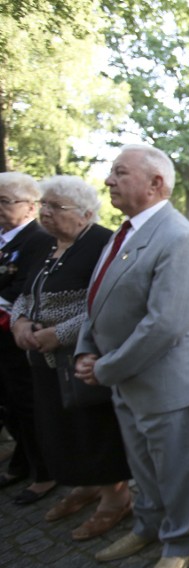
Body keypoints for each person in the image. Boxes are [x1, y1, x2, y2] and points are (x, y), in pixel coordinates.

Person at [75, 144, 189, 568]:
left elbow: (164, 325)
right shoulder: (125, 231)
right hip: (124, 376)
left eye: (120, 173)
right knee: (142, 465)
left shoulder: (180, 238)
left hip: (162, 381)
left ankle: (183, 542)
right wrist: (86, 348)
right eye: (111, 173)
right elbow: (97, 298)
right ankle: (147, 527)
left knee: (176, 469)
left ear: (156, 184)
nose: (109, 181)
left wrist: (105, 367)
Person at [10, 175, 132, 540]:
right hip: (43, 359)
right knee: (61, 427)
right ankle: (87, 485)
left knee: (93, 428)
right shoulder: (49, 245)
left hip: (82, 358)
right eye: (43, 204)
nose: (44, 213)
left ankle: (115, 499)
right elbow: (27, 290)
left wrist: (58, 334)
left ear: (84, 214)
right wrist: (19, 322)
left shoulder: (102, 244)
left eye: (54, 207)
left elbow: (106, 304)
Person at [0, 172, 54, 503]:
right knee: (8, 404)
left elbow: (26, 289)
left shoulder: (39, 239)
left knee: (25, 402)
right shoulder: (4, 238)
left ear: (30, 207)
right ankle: (22, 460)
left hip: (19, 338)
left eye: (5, 201)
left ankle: (44, 471)